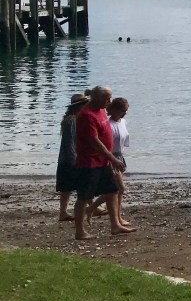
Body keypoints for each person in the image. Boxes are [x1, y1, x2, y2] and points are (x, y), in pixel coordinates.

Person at [73, 86, 133, 239]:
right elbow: (94, 141)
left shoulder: (100, 111)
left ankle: (115, 225)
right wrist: (113, 159)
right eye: (107, 99)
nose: (109, 102)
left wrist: (110, 159)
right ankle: (79, 231)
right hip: (90, 161)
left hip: (104, 161)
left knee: (112, 190)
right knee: (84, 196)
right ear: (97, 98)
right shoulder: (87, 115)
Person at [90, 97, 133, 228]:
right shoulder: (108, 124)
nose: (123, 113)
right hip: (111, 157)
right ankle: (94, 209)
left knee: (117, 190)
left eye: (125, 111)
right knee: (119, 188)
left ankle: (116, 217)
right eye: (121, 111)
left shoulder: (123, 122)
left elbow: (123, 141)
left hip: (120, 156)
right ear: (113, 110)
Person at [55, 93, 88, 221]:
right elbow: (70, 142)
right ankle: (64, 212)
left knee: (67, 188)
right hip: (70, 158)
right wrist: (75, 159)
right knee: (81, 183)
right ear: (80, 106)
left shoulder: (72, 119)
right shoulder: (72, 120)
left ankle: (63, 212)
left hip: (67, 158)